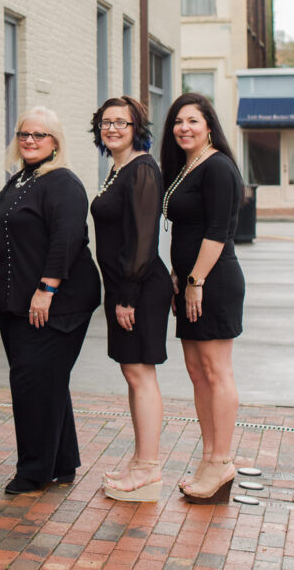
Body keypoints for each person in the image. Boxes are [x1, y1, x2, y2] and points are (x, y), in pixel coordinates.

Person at [0, 106, 101, 495]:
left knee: (32, 384)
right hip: (17, 306)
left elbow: (66, 239)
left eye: (39, 135)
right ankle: (61, 462)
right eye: (24, 134)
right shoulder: (21, 179)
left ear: (55, 142)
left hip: (57, 304)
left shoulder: (62, 181)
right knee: (45, 382)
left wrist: (46, 289)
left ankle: (34, 472)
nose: (30, 141)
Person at [161, 92, 245, 504]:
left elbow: (217, 232)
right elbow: (185, 229)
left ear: (209, 125)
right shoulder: (187, 167)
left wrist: (195, 280)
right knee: (197, 372)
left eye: (193, 120)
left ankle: (222, 460)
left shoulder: (218, 167)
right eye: (179, 121)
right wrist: (178, 274)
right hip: (191, 281)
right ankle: (209, 456)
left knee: (216, 371)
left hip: (214, 281)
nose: (184, 128)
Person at [90, 96, 172, 503]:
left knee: (141, 375)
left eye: (121, 122)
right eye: (106, 122)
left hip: (138, 289)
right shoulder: (118, 168)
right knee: (132, 373)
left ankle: (148, 468)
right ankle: (140, 460)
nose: (112, 128)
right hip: (124, 288)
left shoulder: (142, 169)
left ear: (136, 128)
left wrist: (128, 296)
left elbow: (143, 239)